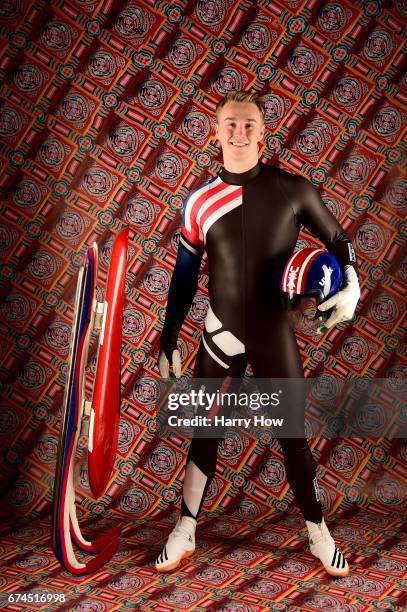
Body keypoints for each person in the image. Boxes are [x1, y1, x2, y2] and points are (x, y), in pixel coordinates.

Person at [155, 91, 360, 576]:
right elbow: (184, 278)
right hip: (219, 331)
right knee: (205, 432)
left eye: (248, 124)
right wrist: (168, 338)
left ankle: (317, 531)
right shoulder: (200, 201)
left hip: (272, 331)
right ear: (216, 131)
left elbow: (339, 239)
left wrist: (349, 282)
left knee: (294, 436)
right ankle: (186, 528)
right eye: (230, 124)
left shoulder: (293, 189)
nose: (239, 133)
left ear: (263, 131)